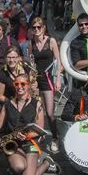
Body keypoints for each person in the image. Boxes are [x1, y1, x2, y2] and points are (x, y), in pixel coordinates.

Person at [0, 74, 58, 175]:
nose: (19, 86)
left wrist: (27, 136)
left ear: (28, 85)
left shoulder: (37, 104)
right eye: (17, 84)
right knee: (19, 167)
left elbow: (40, 130)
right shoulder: (8, 104)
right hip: (13, 143)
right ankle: (16, 168)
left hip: (30, 142)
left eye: (23, 84)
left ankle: (47, 163)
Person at [27, 17, 61, 151]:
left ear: (43, 28)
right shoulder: (31, 43)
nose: (36, 30)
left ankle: (55, 137)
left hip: (47, 79)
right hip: (36, 79)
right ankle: (38, 134)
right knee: (36, 109)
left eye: (39, 27)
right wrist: (31, 80)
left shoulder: (51, 41)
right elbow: (31, 63)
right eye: (34, 27)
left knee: (50, 111)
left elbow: (58, 62)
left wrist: (58, 79)